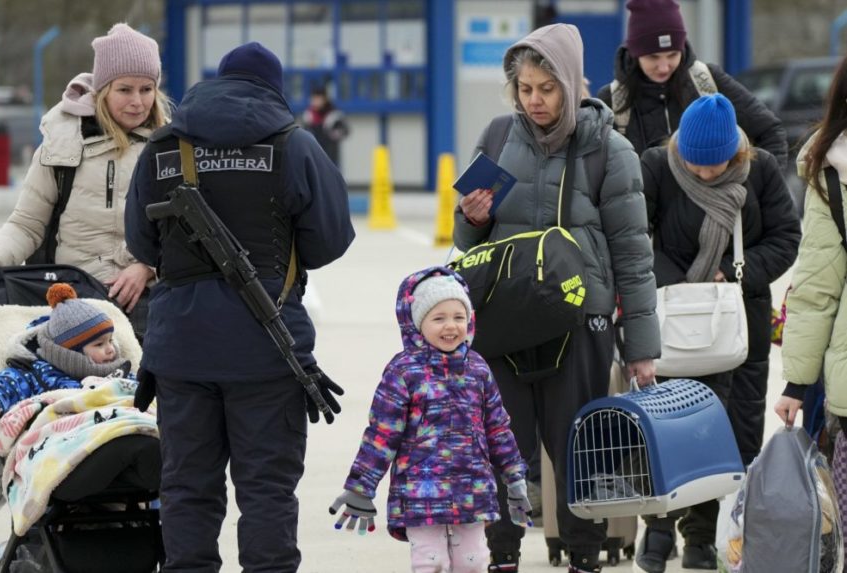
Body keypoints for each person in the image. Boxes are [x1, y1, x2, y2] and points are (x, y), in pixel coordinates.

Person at [124, 41, 355, 571]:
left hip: (180, 350)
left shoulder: (162, 147)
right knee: (268, 490)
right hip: (268, 351)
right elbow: (332, 238)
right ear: (272, 90)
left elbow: (141, 242)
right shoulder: (294, 145)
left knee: (185, 488)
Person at [454, 24, 660, 573]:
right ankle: (500, 555)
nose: (535, 100)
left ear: (570, 84)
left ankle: (585, 557)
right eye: (525, 88)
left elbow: (634, 258)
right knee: (503, 449)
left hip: (580, 322)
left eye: (547, 88)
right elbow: (467, 245)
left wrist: (641, 348)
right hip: (506, 323)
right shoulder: (497, 138)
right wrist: (470, 219)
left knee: (580, 451)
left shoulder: (609, 151)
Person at [639, 93, 800, 572]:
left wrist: (737, 274)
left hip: (738, 328)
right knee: (670, 429)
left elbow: (785, 238)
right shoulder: (656, 167)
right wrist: (680, 284)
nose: (706, 173)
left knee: (731, 434)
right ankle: (659, 531)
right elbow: (635, 236)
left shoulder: (762, 170)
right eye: (696, 164)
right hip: (673, 323)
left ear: (737, 153)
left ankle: (704, 538)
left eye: (717, 165)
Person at [0, 23, 171, 341]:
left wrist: (147, 267)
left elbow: (181, 232)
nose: (137, 101)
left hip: (147, 305)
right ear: (102, 90)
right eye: (125, 89)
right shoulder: (61, 143)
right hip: (73, 303)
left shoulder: (170, 148)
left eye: (147, 89)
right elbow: (27, 224)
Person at [329, 267, 532, 573]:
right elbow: (381, 436)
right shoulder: (404, 371)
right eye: (439, 318)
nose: (450, 326)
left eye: (458, 317)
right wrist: (361, 487)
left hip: (472, 489)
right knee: (431, 562)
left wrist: (515, 477)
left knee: (473, 562)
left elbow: (498, 429)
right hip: (420, 492)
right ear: (417, 324)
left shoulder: (477, 368)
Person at [775, 55, 847, 566]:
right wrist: (797, 383)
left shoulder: (834, 166)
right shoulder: (832, 170)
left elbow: (818, 287)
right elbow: (818, 285)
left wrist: (798, 384)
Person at [595, 0, 787, 169]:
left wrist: (761, 188)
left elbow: (771, 132)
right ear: (635, 54)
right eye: (653, 57)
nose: (663, 67)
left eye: (673, 55)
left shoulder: (708, 82)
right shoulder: (612, 101)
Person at [0, 283, 132, 434]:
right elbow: (3, 385)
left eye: (110, 340)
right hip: (61, 436)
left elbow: (138, 393)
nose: (111, 349)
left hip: (116, 428)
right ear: (68, 351)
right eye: (99, 344)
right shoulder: (35, 373)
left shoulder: (119, 372)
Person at [301, 85, 349, 167]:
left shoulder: (334, 115)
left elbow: (345, 131)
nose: (315, 101)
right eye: (313, 99)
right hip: (313, 156)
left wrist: (333, 134)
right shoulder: (308, 116)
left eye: (318, 99)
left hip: (331, 157)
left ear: (324, 99)